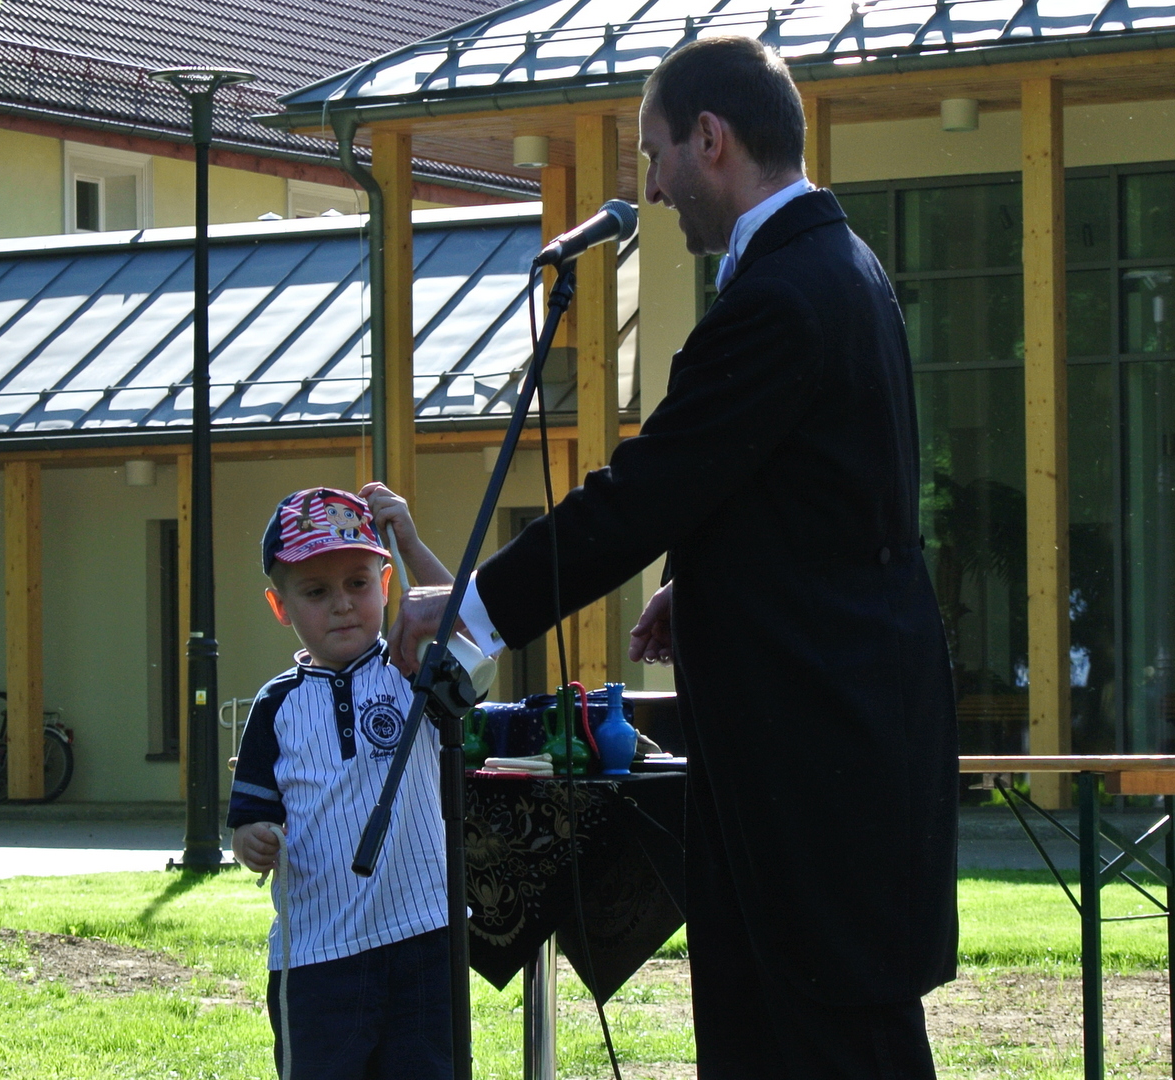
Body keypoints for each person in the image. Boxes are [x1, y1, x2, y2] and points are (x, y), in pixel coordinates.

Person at [394, 35, 957, 1080]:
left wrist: (471, 609)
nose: (650, 189)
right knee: (773, 1035)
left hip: (813, 756)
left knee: (831, 1043)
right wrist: (697, 580)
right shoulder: (836, 268)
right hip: (822, 740)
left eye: (653, 155)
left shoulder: (782, 296)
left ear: (711, 139)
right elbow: (806, 498)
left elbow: (644, 493)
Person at [229, 483, 456, 1080]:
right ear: (280, 606)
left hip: (425, 941)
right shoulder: (274, 706)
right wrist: (252, 841)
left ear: (386, 584)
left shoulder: (412, 666)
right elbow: (249, 818)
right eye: (316, 591)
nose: (342, 605)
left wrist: (410, 541)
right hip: (316, 957)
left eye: (358, 583)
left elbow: (470, 630)